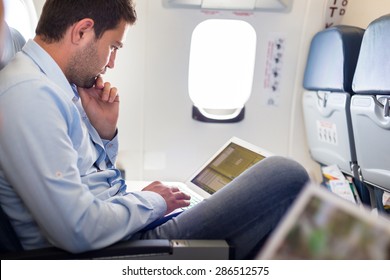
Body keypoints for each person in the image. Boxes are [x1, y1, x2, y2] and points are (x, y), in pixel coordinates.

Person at [0, 0, 309, 259]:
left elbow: (92, 182)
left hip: (121, 233)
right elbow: (76, 228)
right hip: (106, 255)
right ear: (82, 31)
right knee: (285, 175)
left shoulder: (56, 84)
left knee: (267, 227)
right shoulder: (30, 95)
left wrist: (105, 134)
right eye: (113, 47)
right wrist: (154, 202)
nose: (111, 64)